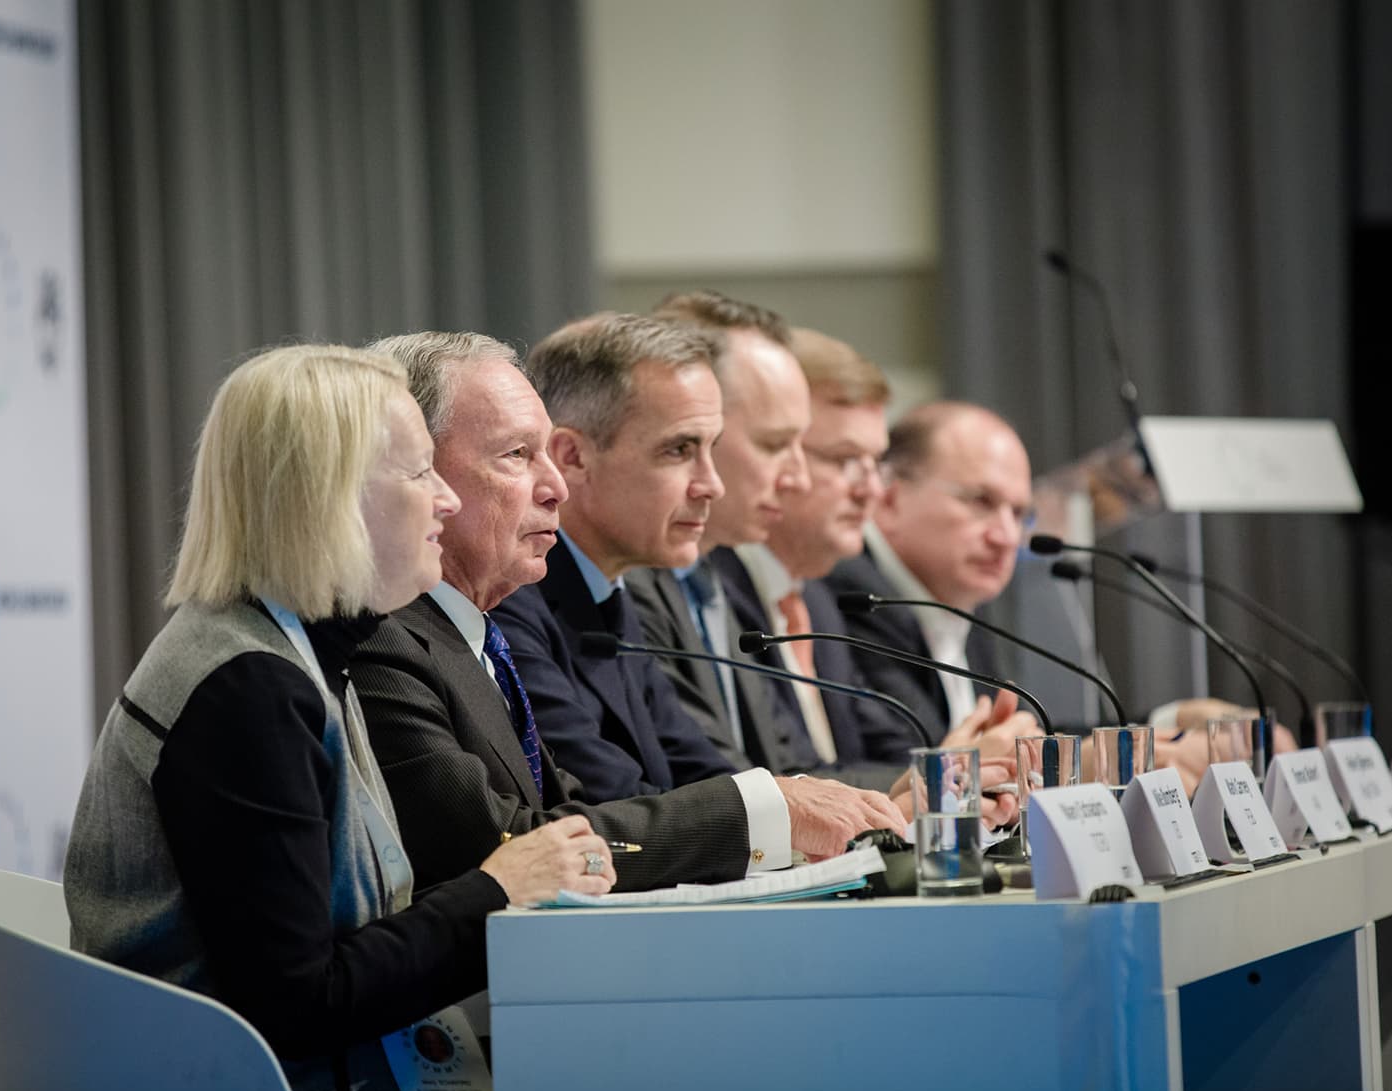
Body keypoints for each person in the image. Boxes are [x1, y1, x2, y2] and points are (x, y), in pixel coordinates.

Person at [63, 344, 614, 1091]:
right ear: (331, 494)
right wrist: (496, 889)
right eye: (420, 472)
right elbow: (299, 1004)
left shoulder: (296, 648)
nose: (445, 501)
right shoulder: (246, 688)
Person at [347, 329, 907, 894]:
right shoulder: (383, 639)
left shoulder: (483, 627)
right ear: (417, 472)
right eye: (517, 455)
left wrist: (790, 817)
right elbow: (509, 846)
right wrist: (768, 810)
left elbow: (586, 808)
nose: (556, 488)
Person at [626, 292, 902, 791]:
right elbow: (721, 783)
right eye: (776, 445)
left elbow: (789, 766)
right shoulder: (632, 586)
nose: (795, 476)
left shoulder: (712, 581)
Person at [826, 400, 1031, 741]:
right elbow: (912, 759)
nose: (1007, 537)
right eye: (981, 501)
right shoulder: (856, 595)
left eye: (1018, 513)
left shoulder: (962, 599)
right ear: (890, 500)